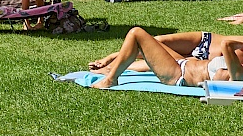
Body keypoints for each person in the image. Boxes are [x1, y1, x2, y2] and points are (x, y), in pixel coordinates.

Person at [91, 27, 243, 89]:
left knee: (136, 33)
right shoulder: (237, 67)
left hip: (178, 74)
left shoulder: (237, 75)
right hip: (184, 63)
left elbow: (226, 45)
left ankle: (110, 79)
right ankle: (111, 64)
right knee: (151, 43)